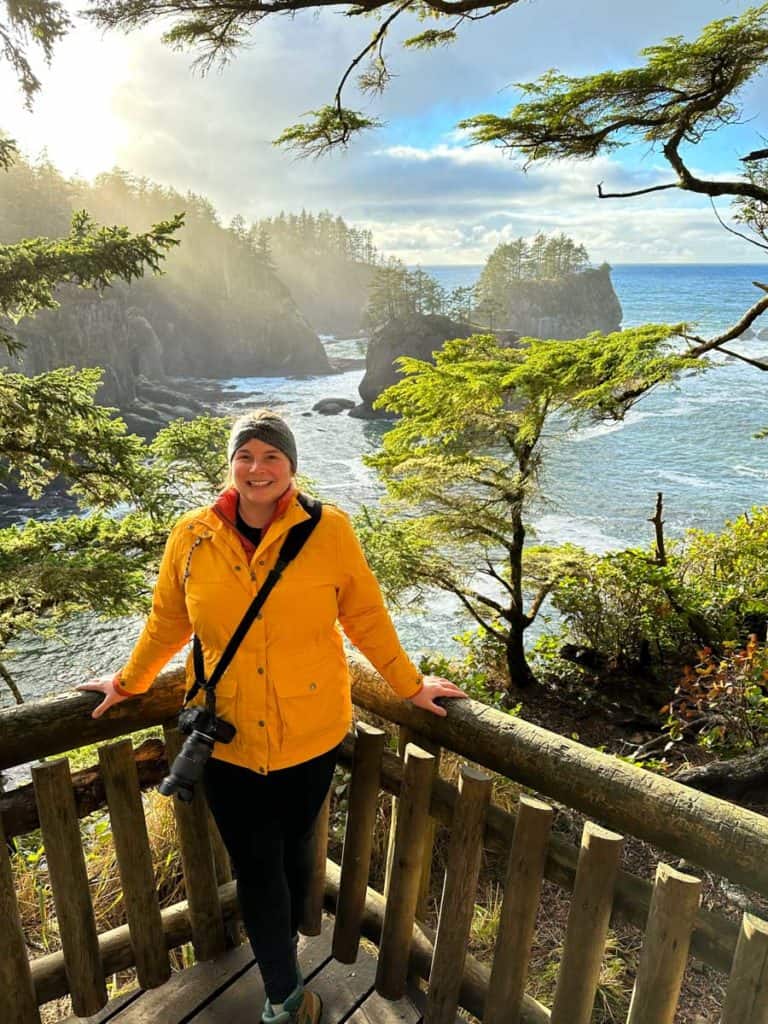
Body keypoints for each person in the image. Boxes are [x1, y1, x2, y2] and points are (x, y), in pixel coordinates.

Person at [78, 409, 465, 1024]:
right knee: (259, 866)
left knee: (290, 858)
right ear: (230, 464)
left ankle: (278, 952)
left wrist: (409, 684)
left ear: (291, 468)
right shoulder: (193, 534)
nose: (257, 469)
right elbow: (169, 621)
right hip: (226, 740)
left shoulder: (330, 531)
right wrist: (129, 682)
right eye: (246, 456)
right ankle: (285, 998)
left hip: (311, 737)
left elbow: (363, 617)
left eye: (271, 457)